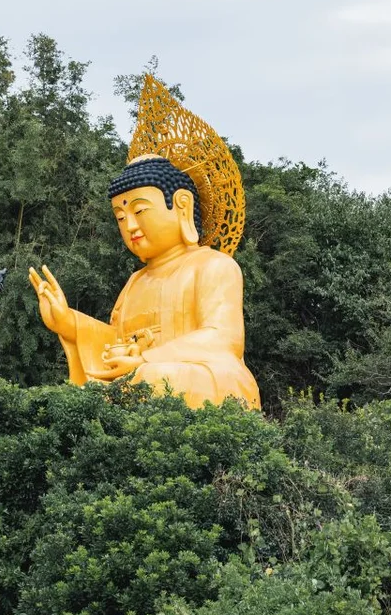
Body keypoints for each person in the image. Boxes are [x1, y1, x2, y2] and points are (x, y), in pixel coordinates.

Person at [29, 75, 260, 410]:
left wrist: (147, 360)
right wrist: (68, 322)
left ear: (182, 205)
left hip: (199, 378)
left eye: (139, 210)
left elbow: (224, 340)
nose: (131, 225)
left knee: (155, 380)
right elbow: (114, 343)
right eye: (120, 218)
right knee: (92, 395)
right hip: (141, 374)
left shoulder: (215, 266)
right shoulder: (135, 282)